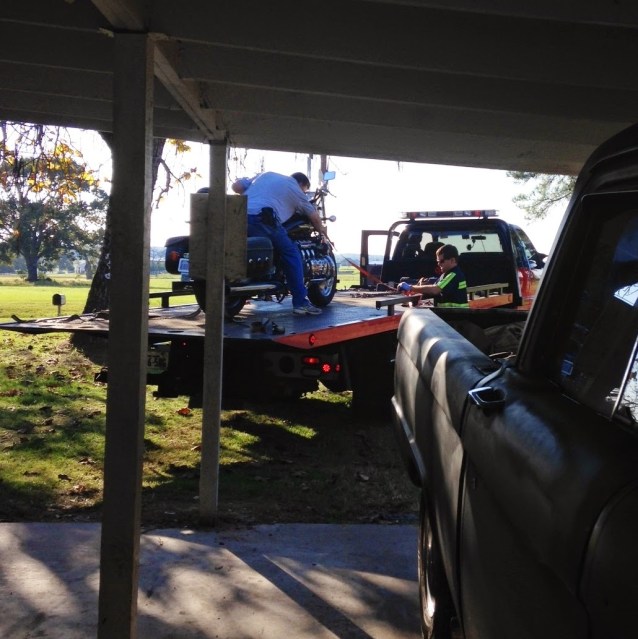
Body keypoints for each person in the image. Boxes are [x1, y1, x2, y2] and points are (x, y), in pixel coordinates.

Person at [231, 171, 328, 315]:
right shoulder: (296, 190)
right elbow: (313, 215)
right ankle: (300, 303)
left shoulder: (266, 175)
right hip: (261, 219)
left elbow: (237, 186)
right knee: (291, 252)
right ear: (302, 184)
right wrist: (322, 231)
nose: (304, 193)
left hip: (237, 216)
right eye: (305, 191)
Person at [397, 244, 469, 308]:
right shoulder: (446, 274)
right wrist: (418, 288)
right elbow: (433, 288)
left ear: (452, 260)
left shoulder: (453, 274)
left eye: (441, 261)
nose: (439, 264)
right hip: (450, 313)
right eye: (438, 261)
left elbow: (435, 290)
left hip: (456, 315)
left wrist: (410, 287)